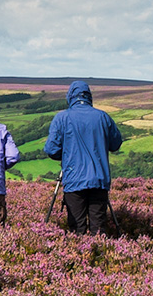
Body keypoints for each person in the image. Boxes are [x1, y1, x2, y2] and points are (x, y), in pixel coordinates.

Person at [43, 80, 124, 234]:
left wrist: (67, 155)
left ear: (70, 96)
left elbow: (51, 149)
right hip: (99, 180)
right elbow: (116, 144)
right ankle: (99, 254)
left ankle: (80, 255)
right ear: (89, 96)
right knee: (99, 228)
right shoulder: (103, 117)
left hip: (74, 180)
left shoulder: (62, 118)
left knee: (76, 228)